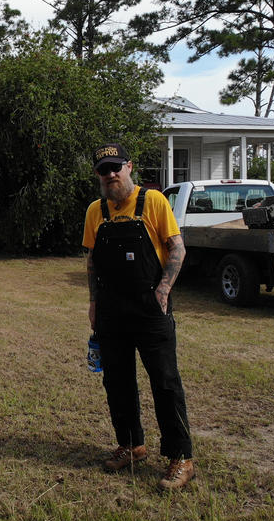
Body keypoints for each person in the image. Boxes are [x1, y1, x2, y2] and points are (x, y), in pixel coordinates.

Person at [82, 142, 195, 491]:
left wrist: (162, 291)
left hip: (150, 309)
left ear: (129, 166)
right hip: (111, 310)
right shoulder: (95, 211)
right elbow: (91, 261)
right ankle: (132, 445)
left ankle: (181, 457)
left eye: (116, 167)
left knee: (164, 382)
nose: (111, 174)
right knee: (116, 382)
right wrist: (93, 302)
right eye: (104, 169)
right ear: (98, 175)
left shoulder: (153, 201)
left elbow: (177, 247)